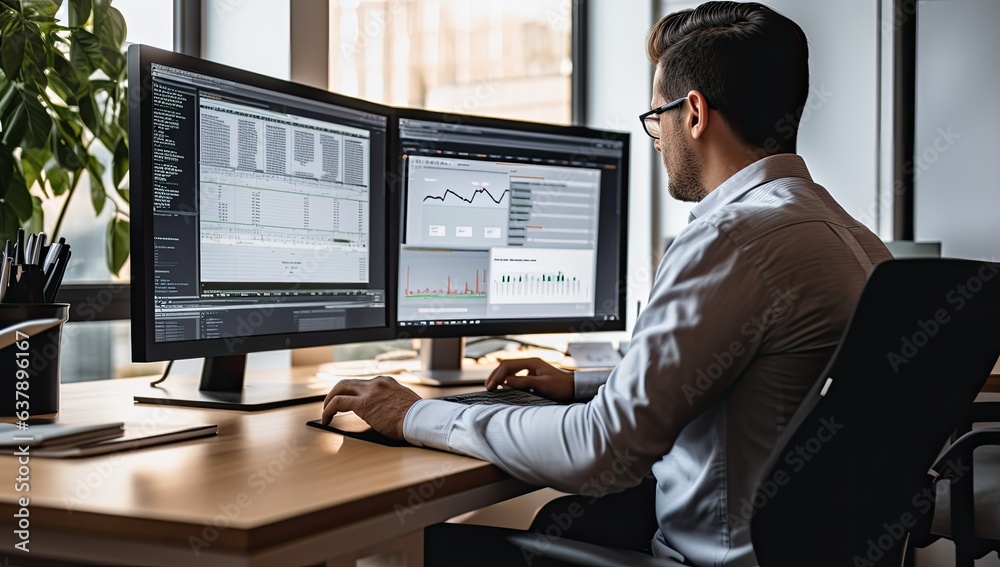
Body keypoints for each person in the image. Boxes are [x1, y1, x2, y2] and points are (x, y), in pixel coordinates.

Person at [320, 2, 893, 565]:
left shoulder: (730, 238)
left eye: (657, 118)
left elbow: (602, 452)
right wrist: (583, 384)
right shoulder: (856, 238)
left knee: (429, 549)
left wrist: (414, 415)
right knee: (560, 520)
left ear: (694, 114)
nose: (658, 139)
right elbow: (748, 378)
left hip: (708, 557)